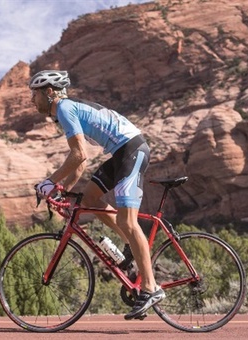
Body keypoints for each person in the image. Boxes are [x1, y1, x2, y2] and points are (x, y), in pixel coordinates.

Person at [29, 70, 165, 320]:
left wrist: (49, 182)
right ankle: (130, 248)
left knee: (128, 221)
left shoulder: (64, 108)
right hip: (121, 153)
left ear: (49, 93)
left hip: (131, 151)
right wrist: (64, 191)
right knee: (89, 200)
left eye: (34, 94)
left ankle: (151, 288)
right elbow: (79, 164)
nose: (32, 100)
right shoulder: (67, 111)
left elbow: (79, 155)